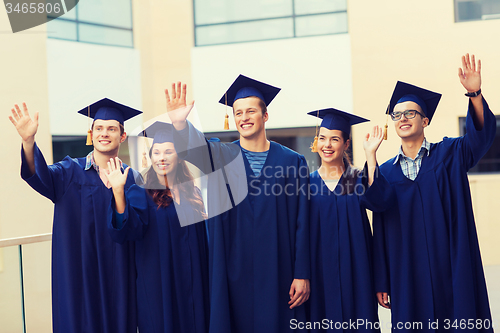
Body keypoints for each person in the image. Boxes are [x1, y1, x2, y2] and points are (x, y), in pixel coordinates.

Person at [166, 77, 311, 333]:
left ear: (266, 115)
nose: (244, 117)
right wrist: (180, 124)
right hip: (233, 269)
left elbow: (303, 221)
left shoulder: (293, 162)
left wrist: (302, 273)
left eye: (251, 111)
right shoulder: (221, 156)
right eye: (238, 113)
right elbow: (195, 149)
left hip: (279, 268)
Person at [373, 54, 495, 332]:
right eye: (397, 115)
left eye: (411, 113)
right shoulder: (386, 173)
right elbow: (379, 227)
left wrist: (474, 93)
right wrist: (382, 280)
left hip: (451, 265)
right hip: (408, 273)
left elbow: (481, 137)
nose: (403, 118)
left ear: (425, 121)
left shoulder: (450, 154)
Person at [8, 98, 142, 332]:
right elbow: (39, 176)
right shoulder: (69, 172)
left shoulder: (133, 180)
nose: (104, 133)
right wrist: (28, 142)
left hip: (120, 278)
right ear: (91, 134)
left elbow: (138, 229)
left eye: (112, 128)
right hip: (78, 276)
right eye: (99, 128)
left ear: (122, 136)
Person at [106, 121, 210, 333]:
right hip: (160, 286)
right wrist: (118, 192)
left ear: (179, 156)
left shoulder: (192, 193)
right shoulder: (141, 192)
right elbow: (125, 230)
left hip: (193, 284)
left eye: (169, 151)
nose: (162, 157)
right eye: (157, 152)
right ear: (151, 157)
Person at [306, 108, 392, 332]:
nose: (327, 145)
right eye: (323, 138)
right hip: (319, 279)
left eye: (335, 139)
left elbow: (380, 202)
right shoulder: (306, 185)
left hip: (358, 277)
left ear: (345, 144)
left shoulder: (358, 179)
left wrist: (371, 156)